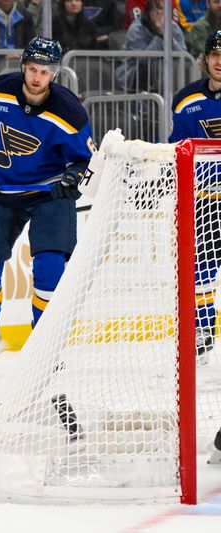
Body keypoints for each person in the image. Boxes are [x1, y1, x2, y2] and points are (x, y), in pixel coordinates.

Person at [0, 36, 94, 359]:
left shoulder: (68, 110)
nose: (36, 76)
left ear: (54, 73)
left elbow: (85, 159)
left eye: (44, 71)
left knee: (49, 266)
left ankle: (45, 341)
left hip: (49, 192)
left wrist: (73, 177)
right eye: (32, 68)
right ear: (23, 67)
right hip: (3, 190)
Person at [169, 30, 221, 365]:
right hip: (203, 199)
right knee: (199, 270)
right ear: (205, 59)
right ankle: (202, 332)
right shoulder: (187, 100)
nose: (220, 61)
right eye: (215, 55)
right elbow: (176, 147)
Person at [115, 0, 187, 93]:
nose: (161, 14)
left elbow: (184, 56)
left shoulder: (173, 27)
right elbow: (142, 60)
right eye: (157, 11)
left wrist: (167, 37)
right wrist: (160, 36)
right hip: (133, 75)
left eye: (164, 10)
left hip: (162, 75)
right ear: (149, 13)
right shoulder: (136, 29)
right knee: (145, 68)